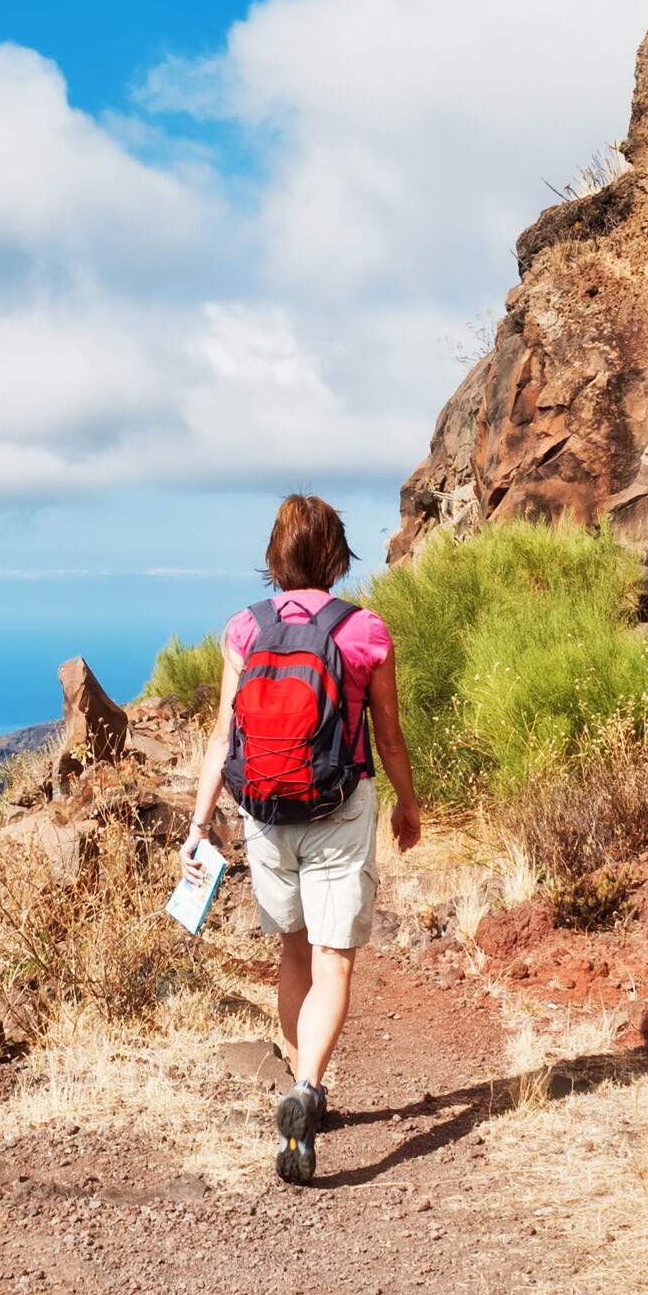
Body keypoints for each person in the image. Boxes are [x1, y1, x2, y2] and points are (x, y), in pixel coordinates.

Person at [182, 492, 422, 1183]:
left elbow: (223, 735)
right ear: (336, 557)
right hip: (340, 809)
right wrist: (408, 804)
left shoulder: (244, 629)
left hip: (264, 814)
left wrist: (201, 826)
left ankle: (302, 1080)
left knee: (293, 952)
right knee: (334, 958)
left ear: (274, 557)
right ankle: (308, 1088)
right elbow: (390, 735)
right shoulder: (364, 631)